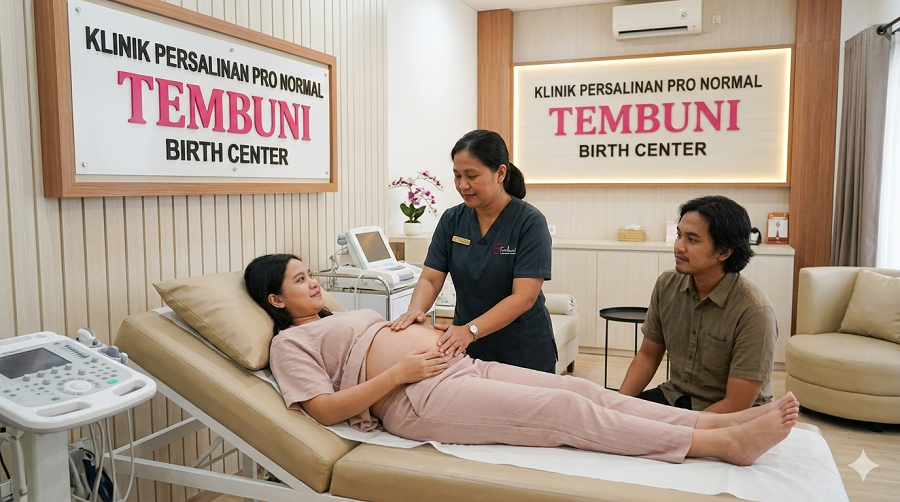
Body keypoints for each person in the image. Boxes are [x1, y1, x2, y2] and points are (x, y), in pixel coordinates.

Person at [245, 253, 799, 466]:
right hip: (417, 396)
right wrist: (401, 370)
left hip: (458, 366)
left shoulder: (337, 316)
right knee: (564, 416)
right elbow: (321, 409)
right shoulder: (290, 343)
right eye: (300, 280)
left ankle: (717, 418)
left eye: (310, 273)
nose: (313, 281)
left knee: (579, 390)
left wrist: (426, 330)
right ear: (275, 300)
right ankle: (720, 445)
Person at [391, 130, 557, 373]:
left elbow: (524, 297)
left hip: (522, 350)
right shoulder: (452, 220)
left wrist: (471, 330)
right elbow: (430, 278)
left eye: (471, 176)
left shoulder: (529, 223)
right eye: (457, 176)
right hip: (467, 348)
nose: (462, 185)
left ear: (500, 173)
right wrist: (416, 310)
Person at [619, 196, 778, 413]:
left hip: (731, 413)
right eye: (679, 235)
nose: (678, 247)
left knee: (660, 440)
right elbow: (648, 355)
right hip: (675, 397)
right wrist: (618, 406)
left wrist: (677, 429)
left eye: (692, 239)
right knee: (603, 422)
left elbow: (736, 404)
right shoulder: (667, 285)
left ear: (725, 251)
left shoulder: (755, 312)